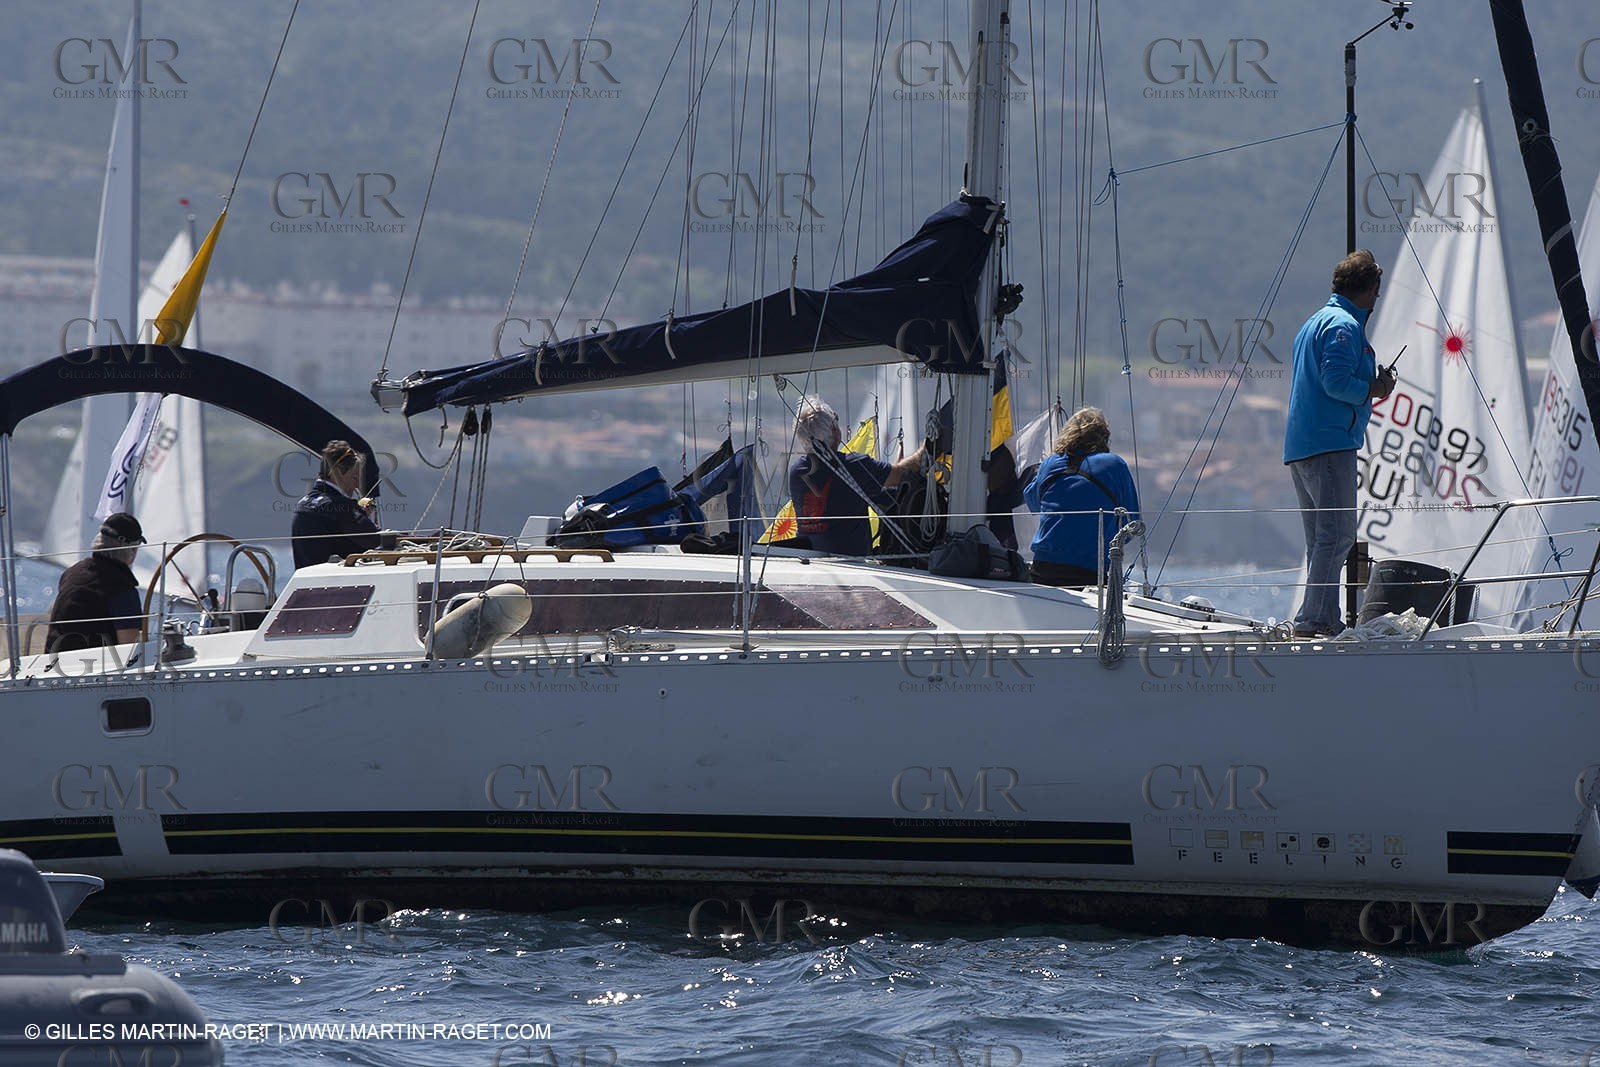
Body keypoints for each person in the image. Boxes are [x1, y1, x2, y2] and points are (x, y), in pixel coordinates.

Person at [1283, 249, 1397, 638]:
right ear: (1368, 290)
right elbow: (1335, 383)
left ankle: (1323, 617)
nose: (1378, 301)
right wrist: (1376, 388)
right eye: (1377, 293)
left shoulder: (1314, 322)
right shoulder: (1343, 326)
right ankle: (1313, 620)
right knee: (1339, 534)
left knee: (1321, 538)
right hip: (1330, 444)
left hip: (1302, 445)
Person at [789, 396, 924, 556]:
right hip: (850, 562)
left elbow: (841, 496)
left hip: (810, 561)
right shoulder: (854, 466)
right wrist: (926, 448)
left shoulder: (796, 472)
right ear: (833, 430)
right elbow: (902, 473)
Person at [1023, 406, 1141, 587]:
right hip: (1090, 570)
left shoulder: (1050, 463)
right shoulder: (1114, 465)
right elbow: (1132, 522)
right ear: (1104, 436)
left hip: (1044, 566)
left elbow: (1033, 504)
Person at [45, 511, 145, 654]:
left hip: (52, 663)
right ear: (131, 549)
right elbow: (129, 647)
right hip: (93, 668)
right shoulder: (122, 587)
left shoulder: (72, 573)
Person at [291, 440, 381, 568]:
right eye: (354, 477)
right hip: (335, 583)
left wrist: (358, 513)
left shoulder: (303, 503)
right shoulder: (341, 507)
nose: (357, 484)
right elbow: (373, 539)